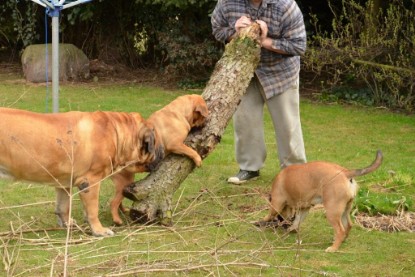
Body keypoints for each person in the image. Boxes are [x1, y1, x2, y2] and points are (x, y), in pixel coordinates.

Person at [211, 0, 307, 184]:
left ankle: (295, 171)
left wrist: (264, 41)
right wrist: (236, 33)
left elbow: (298, 46)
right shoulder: (226, 3)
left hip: (280, 74)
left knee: (287, 125)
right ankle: (249, 168)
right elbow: (218, 29)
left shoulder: (286, 6)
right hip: (244, 71)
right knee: (245, 121)